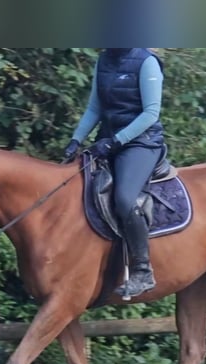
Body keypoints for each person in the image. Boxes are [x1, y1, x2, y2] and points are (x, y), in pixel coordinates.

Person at [62, 48, 165, 299]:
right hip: (107, 141)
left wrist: (116, 141)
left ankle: (142, 270)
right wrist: (76, 139)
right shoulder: (104, 60)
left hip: (141, 143)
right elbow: (94, 108)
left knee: (125, 199)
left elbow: (151, 113)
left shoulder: (147, 62)